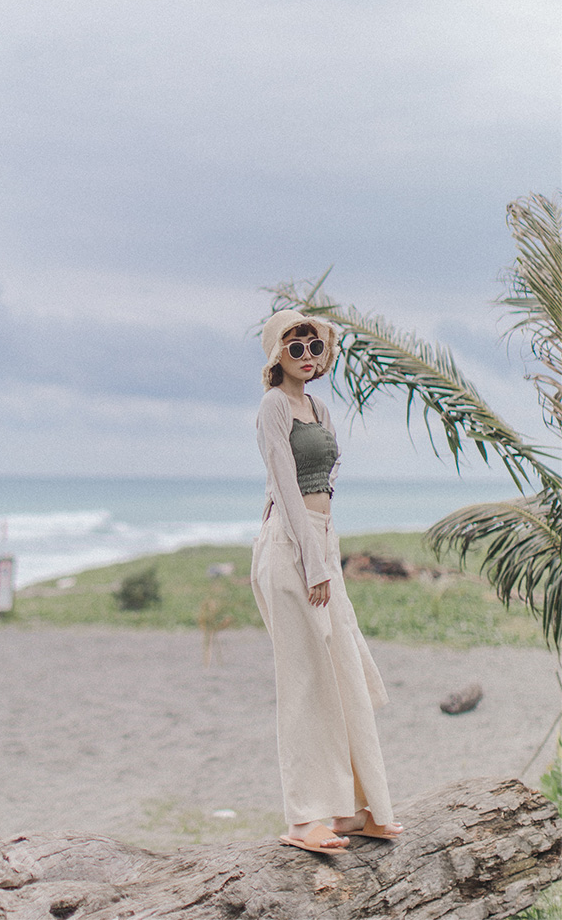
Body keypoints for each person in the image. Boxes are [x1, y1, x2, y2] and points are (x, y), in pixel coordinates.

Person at [251, 309, 403, 855]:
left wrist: (327, 555)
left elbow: (326, 486)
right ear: (278, 354)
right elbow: (284, 486)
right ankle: (302, 820)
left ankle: (354, 810)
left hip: (321, 544)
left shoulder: (318, 409)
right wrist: (313, 563)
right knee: (304, 682)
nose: (308, 356)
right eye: (296, 347)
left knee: (343, 675)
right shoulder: (273, 406)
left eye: (315, 346)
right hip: (289, 550)